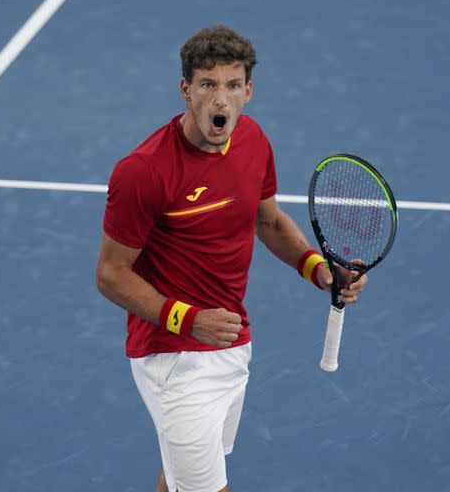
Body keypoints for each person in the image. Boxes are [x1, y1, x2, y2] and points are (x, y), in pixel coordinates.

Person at [95, 25, 368, 492]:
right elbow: (110, 274)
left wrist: (319, 271)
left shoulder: (253, 140)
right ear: (186, 90)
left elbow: (267, 221)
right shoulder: (144, 171)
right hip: (174, 356)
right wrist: (186, 319)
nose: (220, 100)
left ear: (248, 91)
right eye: (207, 84)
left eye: (232, 85)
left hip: (231, 339)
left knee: (179, 479)